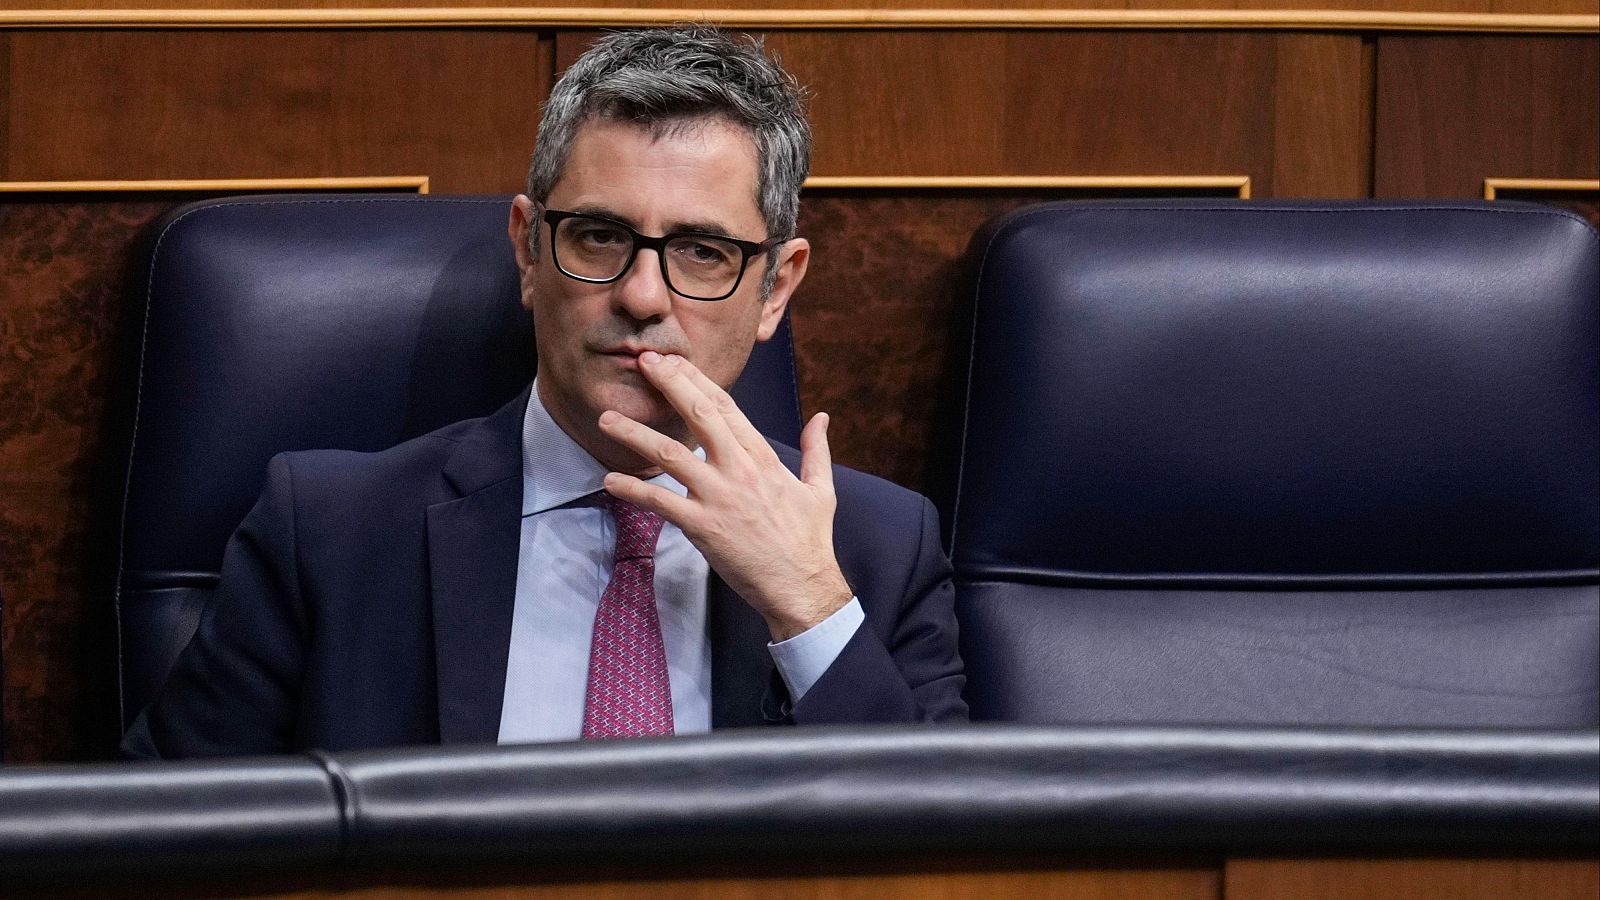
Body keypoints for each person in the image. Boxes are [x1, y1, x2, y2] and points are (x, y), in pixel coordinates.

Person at [123, 25, 965, 757]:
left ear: (777, 288)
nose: (642, 297)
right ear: (528, 252)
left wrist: (807, 602)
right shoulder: (329, 536)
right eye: (599, 237)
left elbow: (962, 863)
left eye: (703, 252)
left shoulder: (878, 553)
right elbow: (163, 843)